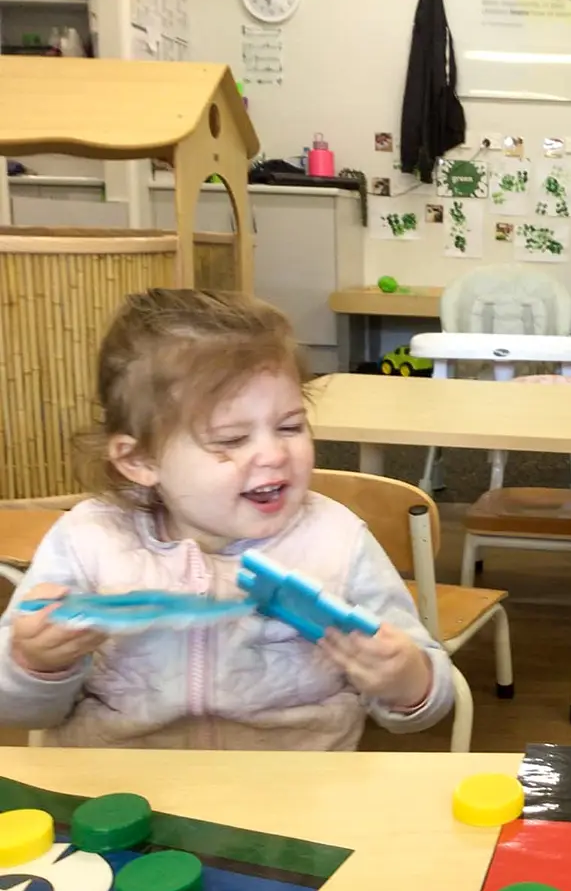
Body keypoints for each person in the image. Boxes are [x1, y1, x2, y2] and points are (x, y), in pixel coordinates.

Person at [0, 288, 455, 749]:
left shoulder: (337, 540)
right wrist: (35, 663)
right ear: (140, 460)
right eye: (231, 438)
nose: (274, 453)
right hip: (119, 801)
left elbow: (428, 701)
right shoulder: (88, 541)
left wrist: (407, 679)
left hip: (293, 797)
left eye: (291, 426)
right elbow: (19, 711)